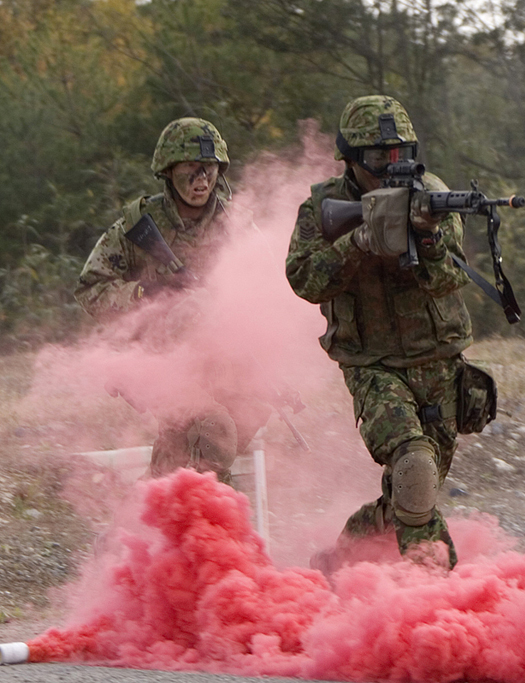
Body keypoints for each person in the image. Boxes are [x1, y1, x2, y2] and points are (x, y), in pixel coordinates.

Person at [286, 95, 475, 571]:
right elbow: (304, 279)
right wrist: (359, 243)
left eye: (400, 155)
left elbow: (450, 280)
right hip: (372, 366)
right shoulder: (323, 207)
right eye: (377, 158)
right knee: (414, 467)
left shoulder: (430, 192)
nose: (392, 167)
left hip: (438, 360)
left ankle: (342, 559)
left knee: (412, 499)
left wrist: (428, 237)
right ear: (350, 160)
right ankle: (434, 591)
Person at [75, 118, 271, 485]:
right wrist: (144, 295)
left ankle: (151, 524)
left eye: (209, 169)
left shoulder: (237, 225)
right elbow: (91, 288)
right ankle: (180, 523)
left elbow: (269, 289)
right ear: (168, 173)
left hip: (225, 359)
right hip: (160, 360)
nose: (201, 180)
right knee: (210, 432)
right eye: (190, 171)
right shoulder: (138, 228)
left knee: (212, 443)